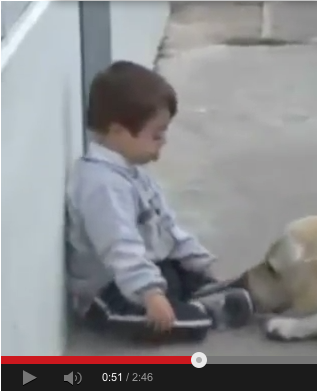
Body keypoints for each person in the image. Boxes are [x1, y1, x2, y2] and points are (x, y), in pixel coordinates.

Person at [66, 60, 254, 343]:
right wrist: (151, 294)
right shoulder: (101, 185)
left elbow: (166, 225)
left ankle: (201, 295)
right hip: (108, 292)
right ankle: (204, 312)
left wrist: (197, 262)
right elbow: (120, 248)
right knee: (184, 323)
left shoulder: (132, 171)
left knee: (180, 270)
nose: (163, 141)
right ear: (118, 131)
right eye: (156, 134)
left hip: (141, 273)